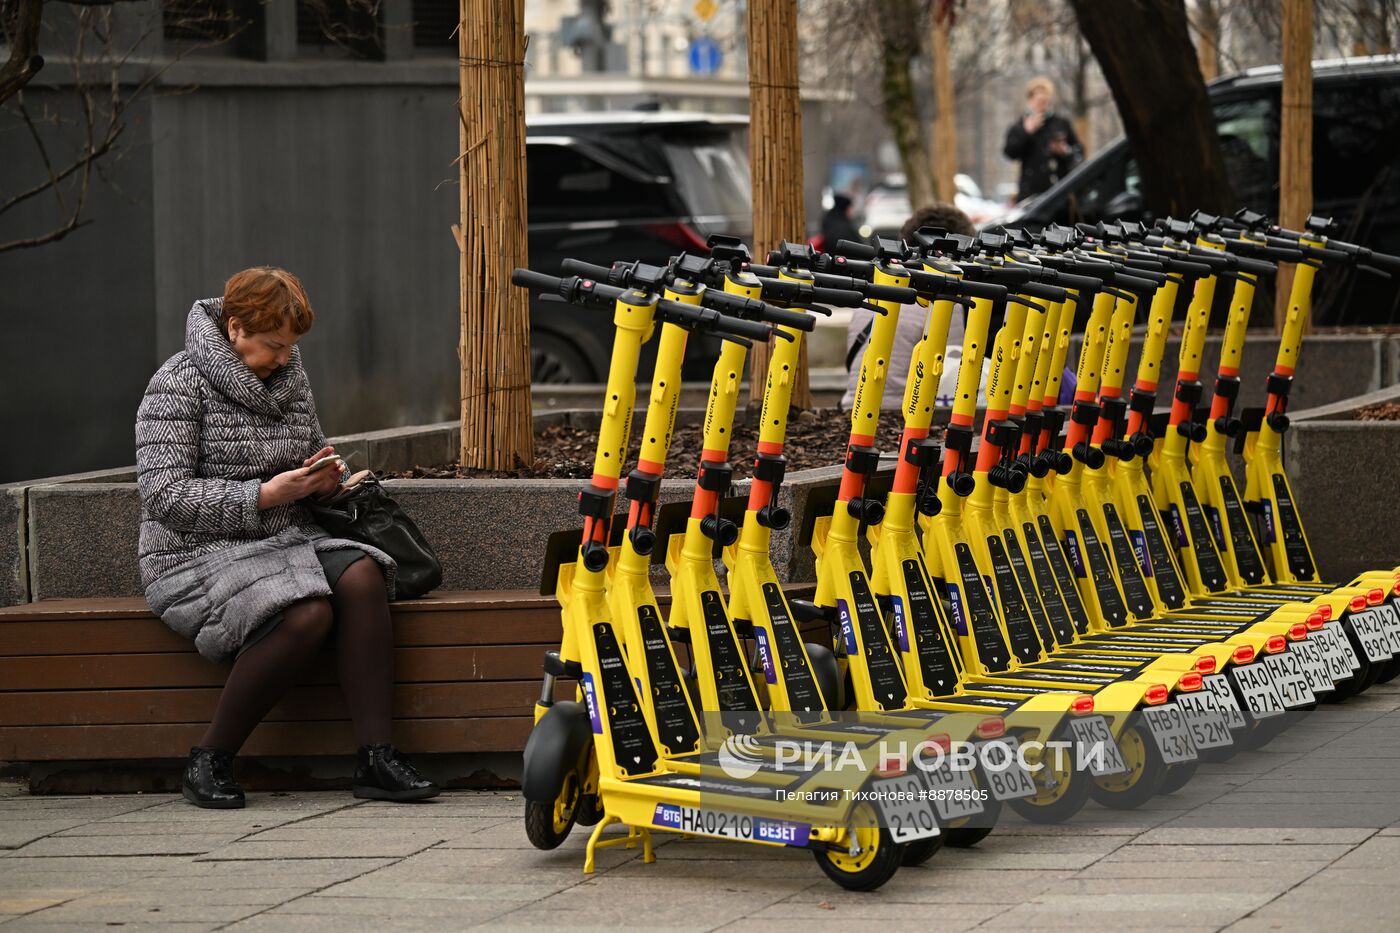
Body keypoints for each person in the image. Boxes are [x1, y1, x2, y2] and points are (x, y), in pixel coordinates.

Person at [136, 267, 439, 809]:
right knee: (307, 612)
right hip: (193, 552)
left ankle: (376, 757)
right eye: (272, 345)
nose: (282, 357)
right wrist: (265, 496)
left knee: (363, 573)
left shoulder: (290, 378)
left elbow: (309, 448)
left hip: (286, 538)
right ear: (234, 329)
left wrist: (324, 476)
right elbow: (164, 496)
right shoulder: (178, 380)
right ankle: (210, 757)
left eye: (290, 346)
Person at [841, 202, 976, 411]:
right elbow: (951, 368)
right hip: (910, 412)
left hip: (855, 407)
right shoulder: (947, 299)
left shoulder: (875, 287)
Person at [1003, 76, 1081, 200]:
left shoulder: (1061, 123)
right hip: (1031, 193)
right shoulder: (1020, 125)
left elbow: (1079, 152)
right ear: (1029, 101)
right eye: (1038, 101)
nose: (1042, 105)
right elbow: (1009, 153)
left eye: (1045, 101)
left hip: (1060, 191)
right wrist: (1026, 131)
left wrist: (1064, 151)